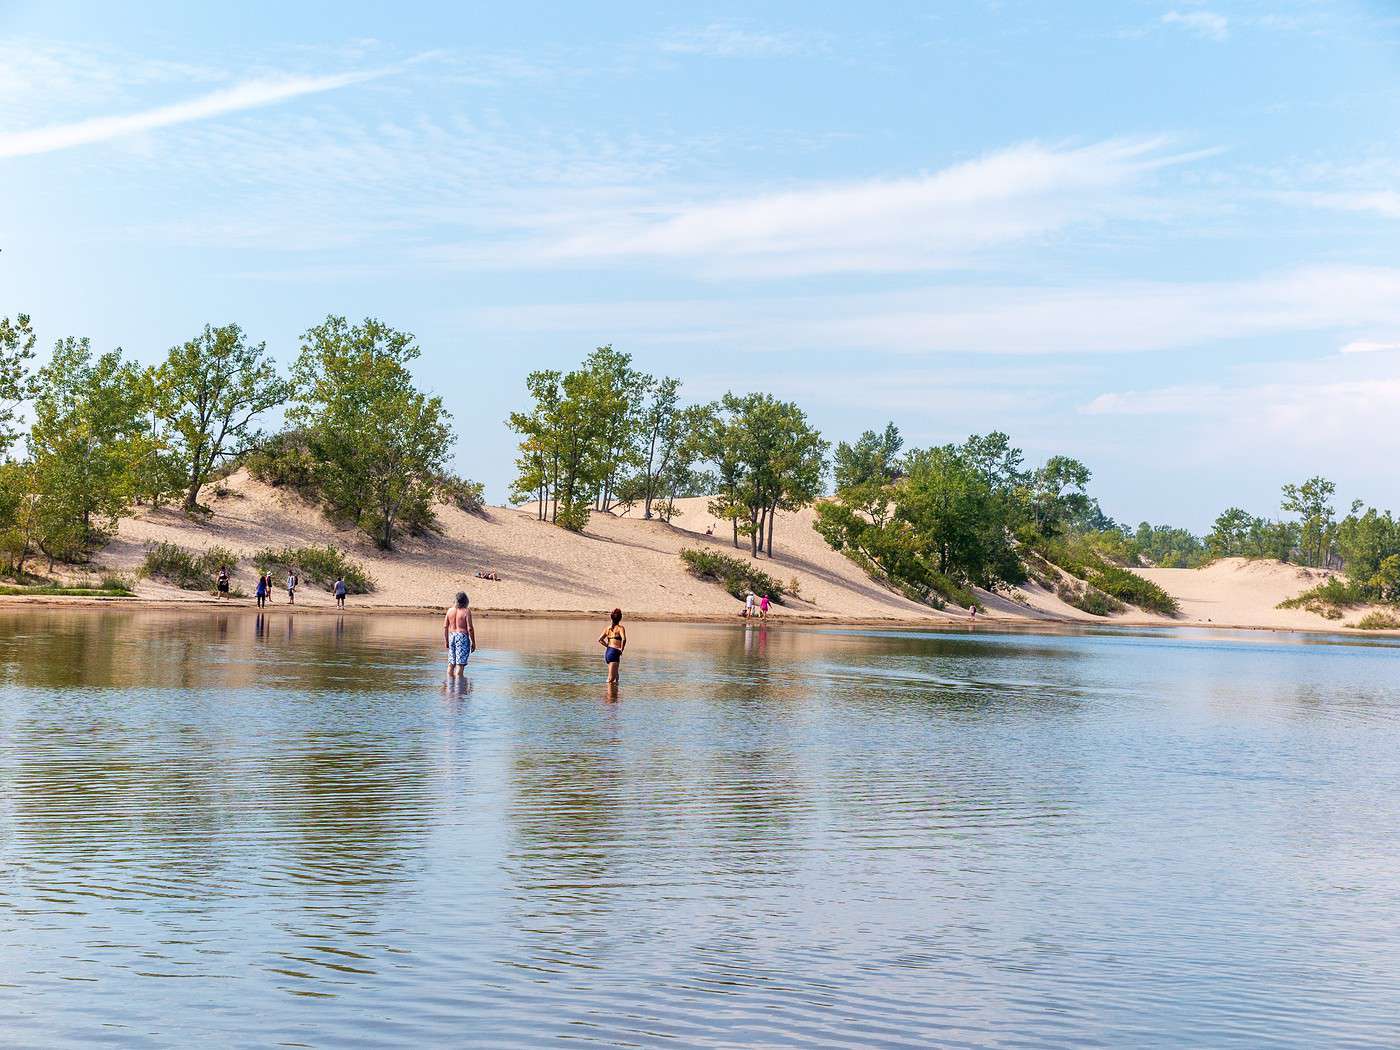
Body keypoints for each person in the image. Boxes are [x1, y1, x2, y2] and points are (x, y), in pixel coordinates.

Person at [443, 591, 476, 677]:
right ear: (466, 601)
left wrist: (446, 641)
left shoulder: (449, 611)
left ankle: (450, 687)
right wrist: (473, 642)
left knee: (451, 664)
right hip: (462, 637)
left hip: (451, 636)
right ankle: (459, 688)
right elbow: (470, 628)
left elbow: (445, 627)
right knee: (460, 665)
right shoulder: (466, 611)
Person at [598, 608, 626, 685]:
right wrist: (621, 649)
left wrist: (607, 646)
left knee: (616, 677)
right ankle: (606, 696)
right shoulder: (620, 628)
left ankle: (614, 695)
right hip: (614, 653)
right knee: (611, 678)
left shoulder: (608, 628)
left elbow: (600, 639)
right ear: (620, 618)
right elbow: (624, 639)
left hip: (609, 652)